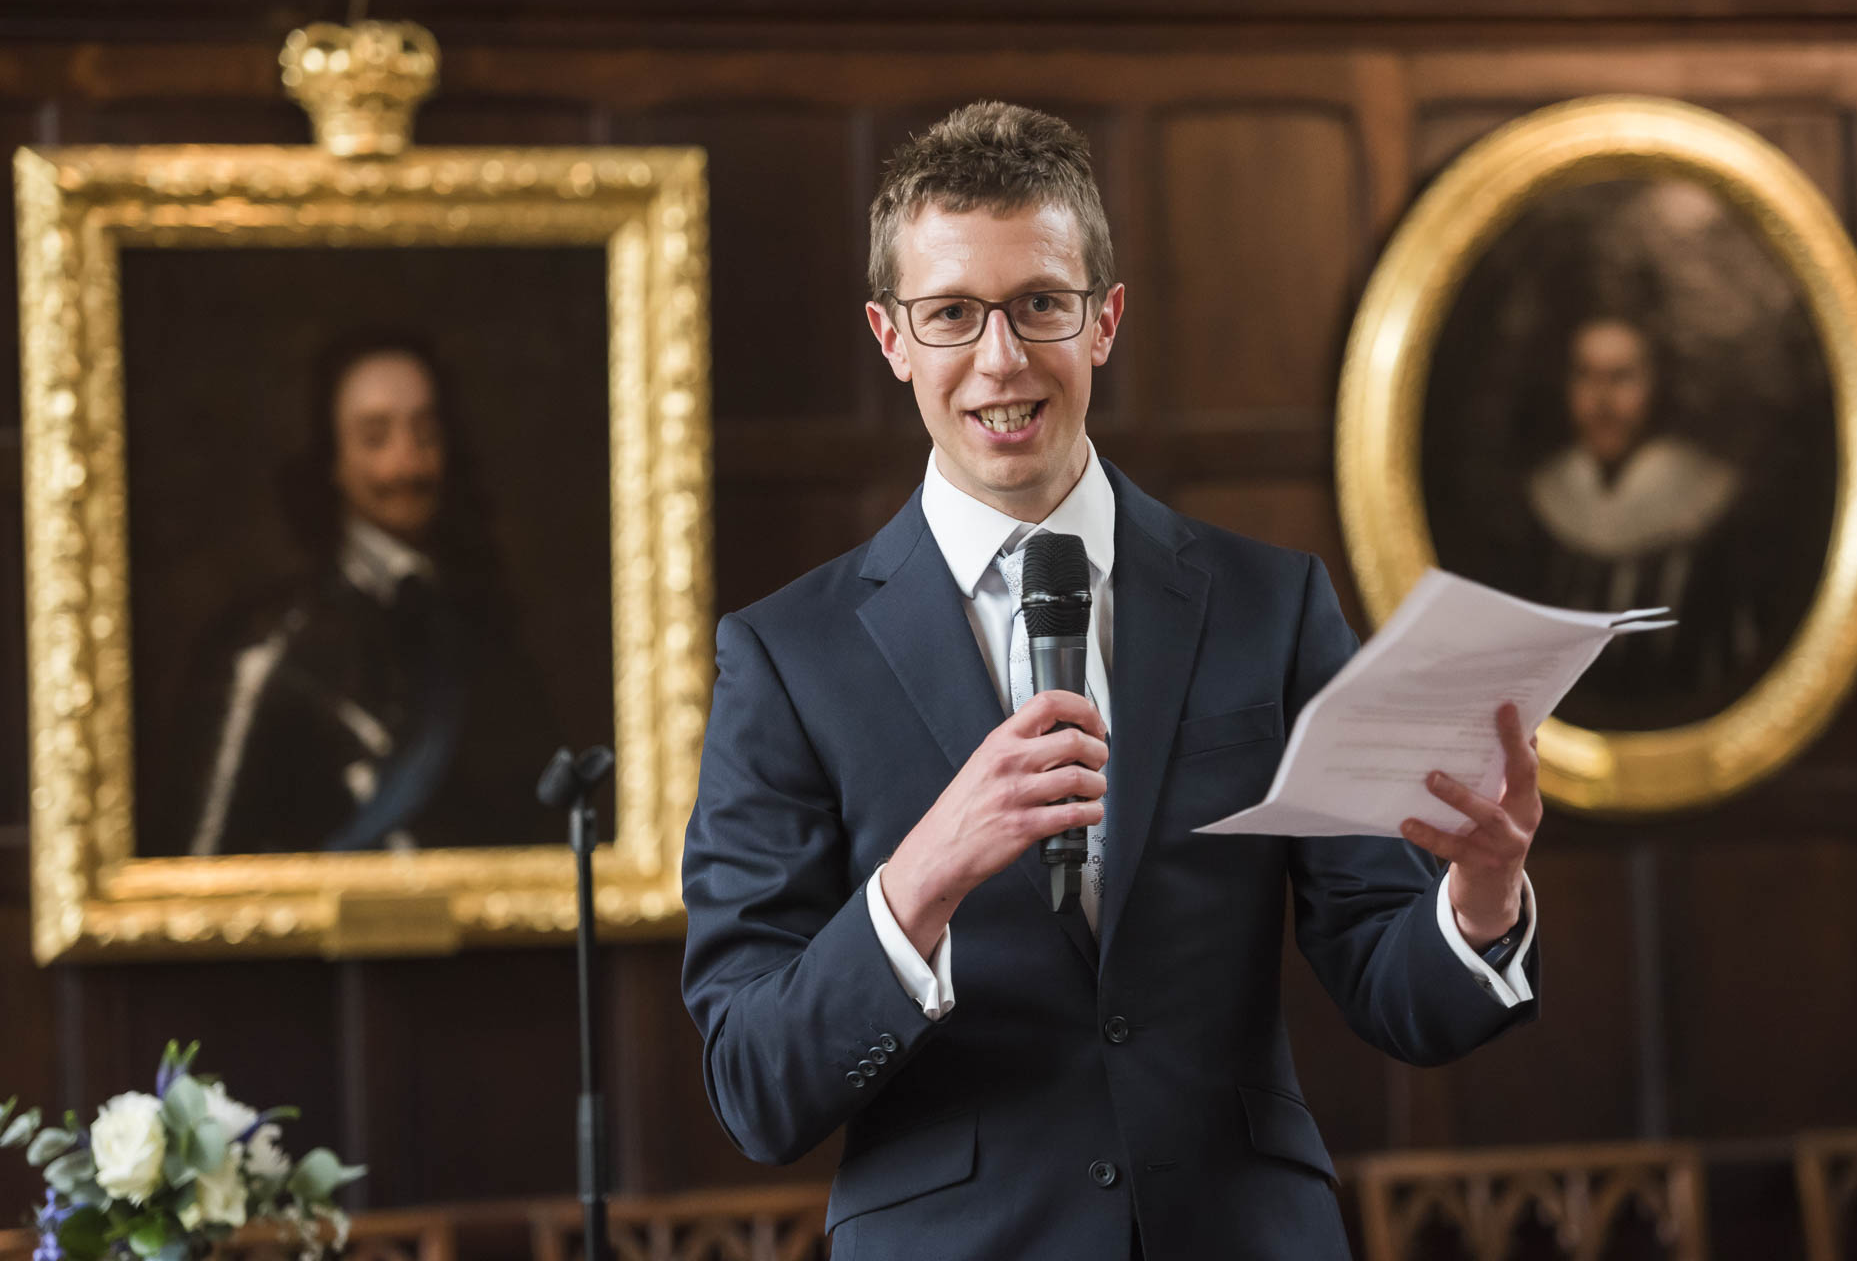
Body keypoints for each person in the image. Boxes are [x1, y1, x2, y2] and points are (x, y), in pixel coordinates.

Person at [680, 102, 1542, 1260]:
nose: (1001, 357)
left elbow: (1392, 983)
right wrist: (921, 877)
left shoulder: (1268, 603)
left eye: (1041, 303)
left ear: (1104, 320)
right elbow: (752, 1084)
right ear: (891, 337)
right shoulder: (787, 655)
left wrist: (1479, 904)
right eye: (951, 314)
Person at [170, 331, 558, 855]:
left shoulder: (486, 633)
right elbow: (205, 874)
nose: (407, 465)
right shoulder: (269, 648)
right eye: (376, 438)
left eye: (425, 434)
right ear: (332, 458)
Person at [1524, 315, 1759, 719]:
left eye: (1621, 378)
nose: (1602, 400)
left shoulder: (1710, 504)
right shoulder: (1541, 501)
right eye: (1586, 376)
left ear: (1656, 386)